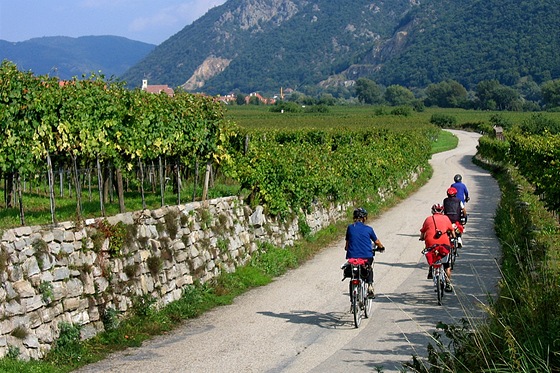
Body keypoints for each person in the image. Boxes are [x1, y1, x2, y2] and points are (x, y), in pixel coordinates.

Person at [345, 207, 385, 298]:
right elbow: (377, 242)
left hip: (352, 257)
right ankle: (370, 285)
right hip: (366, 256)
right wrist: (381, 247)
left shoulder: (350, 228)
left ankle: (353, 300)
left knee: (353, 272)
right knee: (369, 268)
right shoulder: (369, 229)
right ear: (364, 218)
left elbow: (346, 246)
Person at [419, 204, 455, 292]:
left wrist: (422, 238)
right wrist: (453, 237)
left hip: (431, 244)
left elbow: (423, 233)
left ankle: (431, 268)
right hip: (444, 244)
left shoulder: (428, 219)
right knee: (446, 265)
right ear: (442, 211)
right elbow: (452, 230)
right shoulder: (446, 218)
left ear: (432, 211)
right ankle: (448, 284)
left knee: (431, 252)